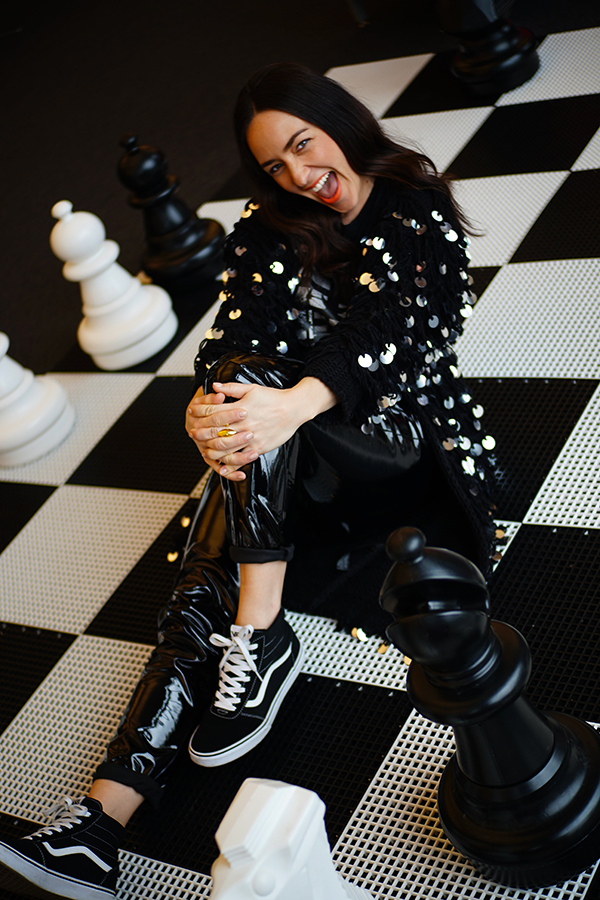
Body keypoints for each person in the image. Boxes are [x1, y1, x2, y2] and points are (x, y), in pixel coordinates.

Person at [0, 62, 497, 900]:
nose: (299, 175)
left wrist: (282, 406)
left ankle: (262, 632)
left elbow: (403, 335)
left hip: (405, 446)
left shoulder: (416, 205)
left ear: (340, 121)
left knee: (247, 433)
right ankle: (99, 823)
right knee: (208, 574)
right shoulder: (270, 227)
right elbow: (235, 331)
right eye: (275, 165)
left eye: (304, 145)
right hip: (289, 450)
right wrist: (209, 406)